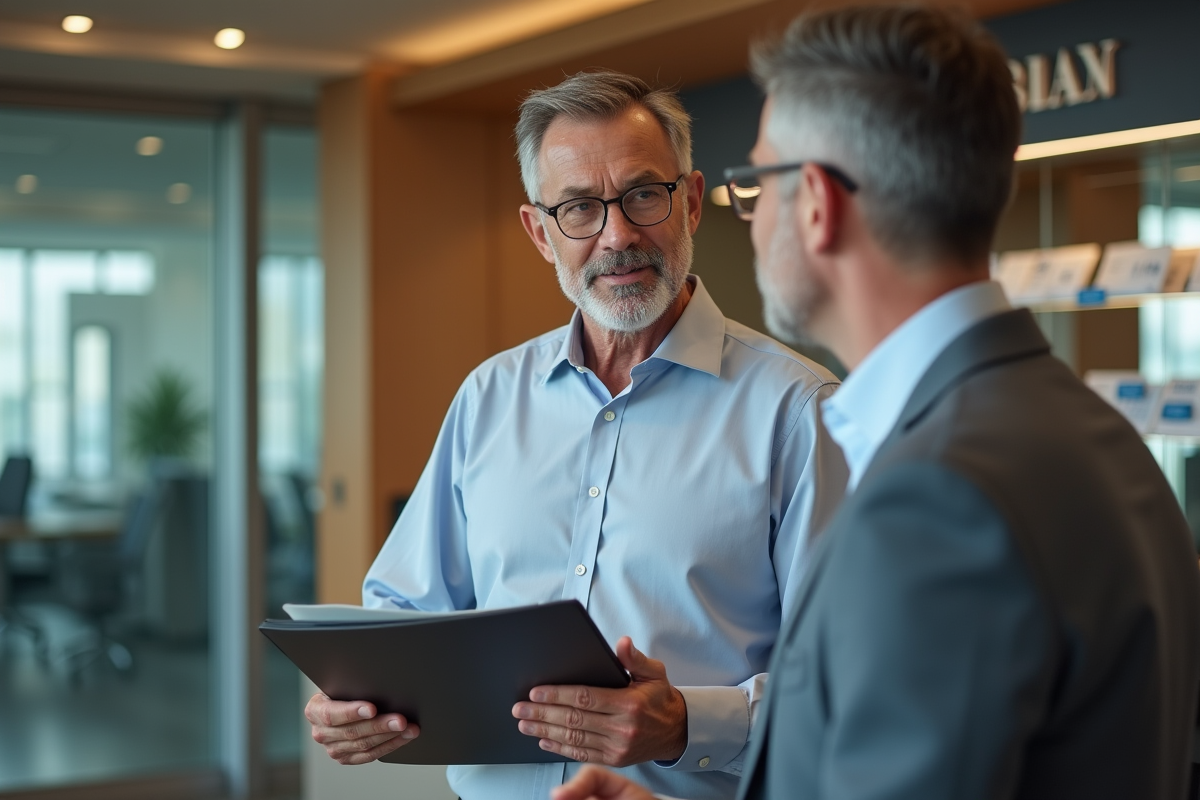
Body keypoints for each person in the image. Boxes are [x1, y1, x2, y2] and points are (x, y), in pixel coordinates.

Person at [554, 7, 1200, 800]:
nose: (752, 222)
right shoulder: (1092, 433)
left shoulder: (935, 497)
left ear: (816, 204)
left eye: (757, 184)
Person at [304, 71, 848, 800]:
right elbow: (404, 610)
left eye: (643, 195)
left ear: (690, 202)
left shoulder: (799, 411)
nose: (617, 236)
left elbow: (852, 681)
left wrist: (688, 724)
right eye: (580, 208)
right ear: (540, 232)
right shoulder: (489, 398)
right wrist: (356, 698)